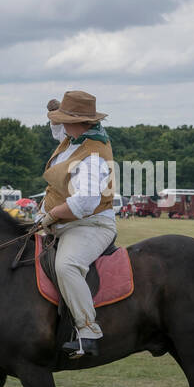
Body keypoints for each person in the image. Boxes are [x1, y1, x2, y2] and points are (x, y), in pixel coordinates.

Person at [38, 91, 117, 358]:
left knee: (66, 265)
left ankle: (88, 332)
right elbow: (57, 133)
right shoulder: (74, 139)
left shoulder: (93, 156)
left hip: (91, 225)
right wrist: (54, 114)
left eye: (64, 119)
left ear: (80, 122)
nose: (60, 124)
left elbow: (85, 202)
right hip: (64, 223)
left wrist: (51, 215)